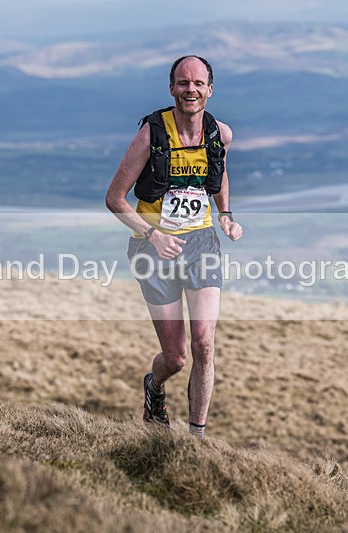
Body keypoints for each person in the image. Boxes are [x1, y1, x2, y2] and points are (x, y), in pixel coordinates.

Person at [106, 55, 243, 439]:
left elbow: (218, 174)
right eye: (183, 83)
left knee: (204, 344)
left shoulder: (220, 134)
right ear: (171, 89)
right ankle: (155, 385)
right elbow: (115, 199)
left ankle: (195, 439)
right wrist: (152, 235)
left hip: (201, 244)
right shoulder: (151, 135)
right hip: (154, 251)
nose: (191, 90)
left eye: (198, 83)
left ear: (210, 90)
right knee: (177, 357)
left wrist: (225, 213)